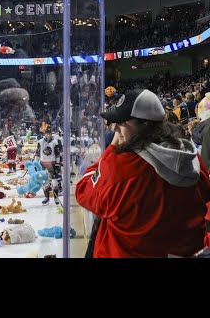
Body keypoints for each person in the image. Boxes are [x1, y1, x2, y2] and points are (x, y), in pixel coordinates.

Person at [76, 88, 210, 258]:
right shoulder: (191, 156)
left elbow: (84, 192)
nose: (114, 128)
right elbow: (205, 193)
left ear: (145, 125)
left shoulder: (121, 168)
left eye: (122, 123)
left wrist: (111, 150)